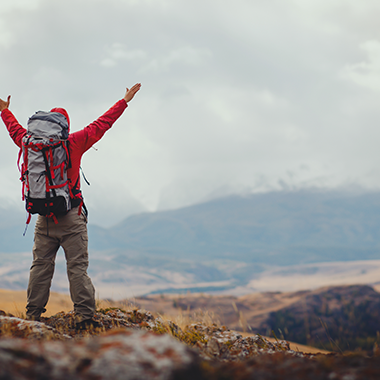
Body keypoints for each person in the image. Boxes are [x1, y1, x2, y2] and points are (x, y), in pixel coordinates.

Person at [0, 83, 141, 329]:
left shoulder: (29, 143)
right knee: (77, 268)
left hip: (43, 218)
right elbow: (102, 123)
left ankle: (32, 317)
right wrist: (124, 100)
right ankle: (85, 320)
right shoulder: (73, 142)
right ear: (64, 126)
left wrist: (4, 111)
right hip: (72, 217)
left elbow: (14, 130)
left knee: (40, 267)